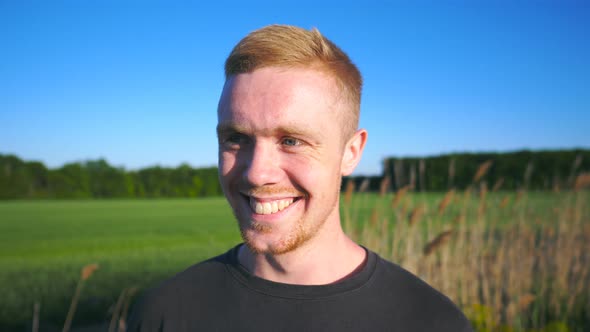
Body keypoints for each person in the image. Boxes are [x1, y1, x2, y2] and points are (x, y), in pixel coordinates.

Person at [127, 24, 473, 332]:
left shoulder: (430, 321)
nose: (257, 172)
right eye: (236, 139)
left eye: (291, 141)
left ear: (351, 152)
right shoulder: (164, 313)